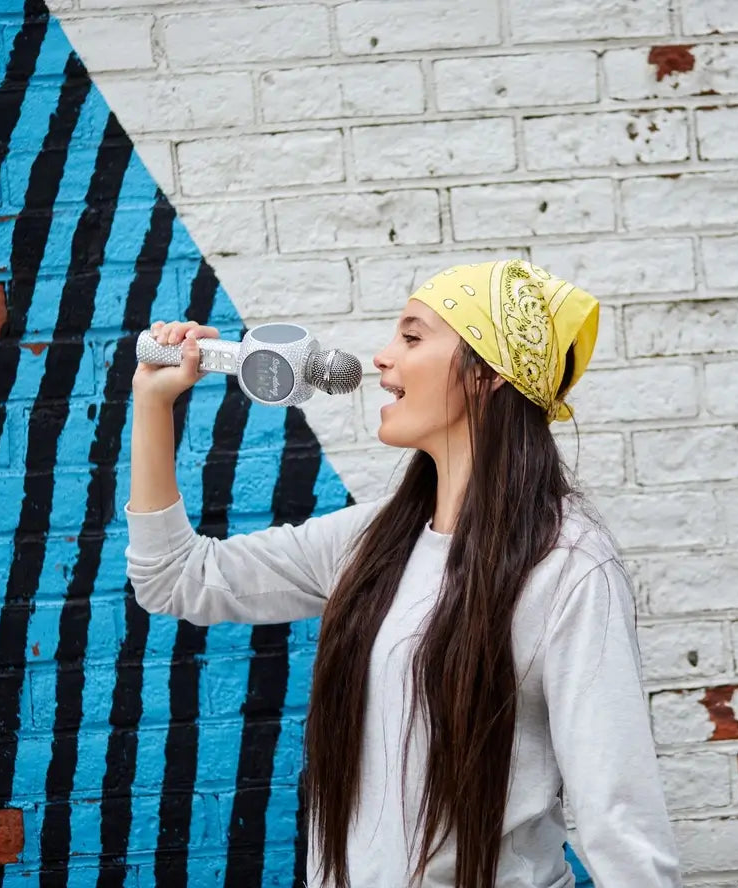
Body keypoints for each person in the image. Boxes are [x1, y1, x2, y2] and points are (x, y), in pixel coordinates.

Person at [125, 259, 682, 888]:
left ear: (488, 375)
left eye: (412, 338)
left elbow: (621, 820)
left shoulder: (568, 569)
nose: (382, 358)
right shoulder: (373, 540)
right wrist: (153, 404)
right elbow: (175, 577)